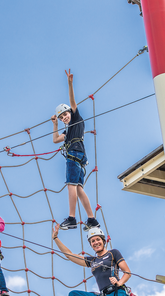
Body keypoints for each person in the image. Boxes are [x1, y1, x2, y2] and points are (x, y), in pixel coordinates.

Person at [51, 69, 100, 231]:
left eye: (65, 114)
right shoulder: (68, 130)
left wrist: (70, 84)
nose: (65, 117)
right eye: (62, 117)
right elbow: (55, 140)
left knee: (71, 185)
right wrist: (55, 124)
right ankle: (91, 219)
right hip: (80, 157)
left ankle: (72, 218)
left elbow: (73, 103)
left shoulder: (77, 118)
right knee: (78, 188)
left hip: (74, 154)